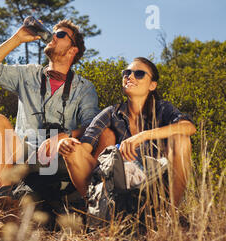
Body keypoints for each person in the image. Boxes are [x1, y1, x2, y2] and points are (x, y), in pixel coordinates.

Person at [0, 19, 114, 207]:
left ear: (73, 50)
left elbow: (92, 126)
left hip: (63, 157)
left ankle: (94, 203)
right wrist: (17, 38)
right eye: (53, 33)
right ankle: (5, 202)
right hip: (27, 153)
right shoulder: (29, 74)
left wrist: (63, 137)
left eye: (61, 34)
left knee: (107, 134)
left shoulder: (83, 88)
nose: (52, 36)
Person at [57, 57, 196, 208]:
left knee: (181, 140)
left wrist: (143, 135)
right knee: (72, 151)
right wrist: (68, 145)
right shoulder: (111, 113)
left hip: (155, 187)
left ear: (152, 85)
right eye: (127, 72)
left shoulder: (163, 109)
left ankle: (170, 216)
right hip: (117, 189)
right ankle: (101, 214)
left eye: (139, 74)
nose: (129, 76)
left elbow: (188, 127)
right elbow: (85, 148)